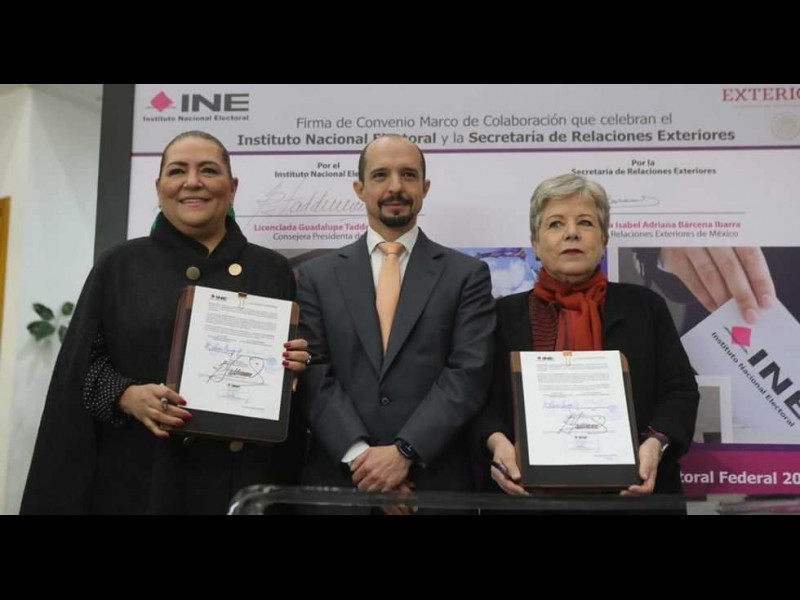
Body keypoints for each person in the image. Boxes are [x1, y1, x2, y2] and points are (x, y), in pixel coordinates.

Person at [20, 130, 309, 514]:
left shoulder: (272, 270)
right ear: (158, 188)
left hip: (242, 483)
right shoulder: (119, 266)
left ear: (233, 187)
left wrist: (293, 367)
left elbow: (294, 393)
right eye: (177, 171)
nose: (193, 182)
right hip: (144, 481)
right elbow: (79, 373)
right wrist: (126, 395)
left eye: (209, 170)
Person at [295, 134, 496, 514]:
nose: (395, 187)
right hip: (339, 489)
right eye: (380, 175)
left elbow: (469, 373)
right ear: (359, 188)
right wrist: (363, 460)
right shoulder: (315, 277)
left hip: (432, 488)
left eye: (408, 175)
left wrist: (405, 452)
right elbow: (313, 373)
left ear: (425, 187)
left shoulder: (466, 275)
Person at [473, 173, 699, 505]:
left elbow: (679, 390)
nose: (572, 233)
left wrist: (656, 444)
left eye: (585, 222)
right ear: (535, 243)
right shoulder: (503, 314)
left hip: (634, 497)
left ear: (604, 238)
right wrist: (497, 443)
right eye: (555, 224)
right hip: (528, 499)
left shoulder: (645, 306)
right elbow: (479, 399)